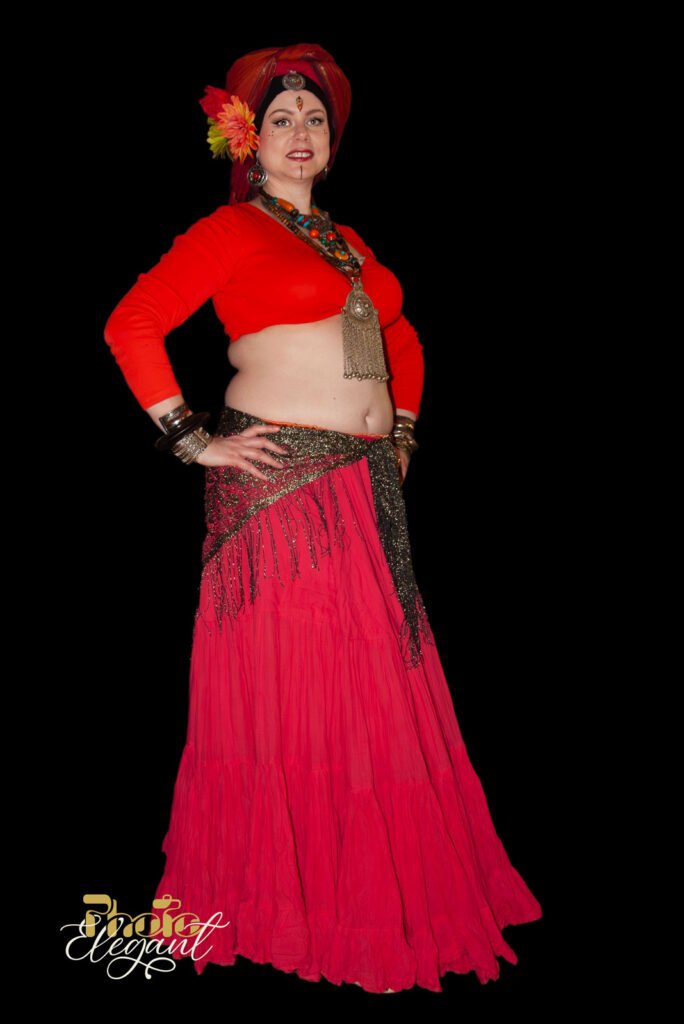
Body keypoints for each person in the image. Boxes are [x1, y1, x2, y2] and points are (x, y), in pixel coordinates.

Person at [103, 42, 542, 995]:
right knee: (294, 687)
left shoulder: (353, 247)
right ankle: (275, 903)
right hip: (276, 485)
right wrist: (189, 437)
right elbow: (130, 324)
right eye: (281, 121)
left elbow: (403, 337)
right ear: (248, 143)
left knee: (371, 687)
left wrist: (404, 432)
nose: (300, 134)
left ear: (332, 147)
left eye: (315, 122)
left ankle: (368, 898)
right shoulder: (228, 233)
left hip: (363, 484)